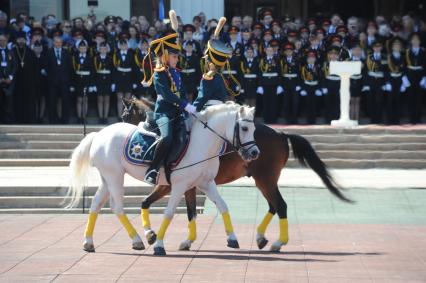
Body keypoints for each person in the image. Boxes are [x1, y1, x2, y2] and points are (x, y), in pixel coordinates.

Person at [142, 11, 196, 185]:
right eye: (174, 56)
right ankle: (153, 168)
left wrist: (189, 105)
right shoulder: (159, 73)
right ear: (166, 56)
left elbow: (182, 91)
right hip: (164, 112)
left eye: (177, 56)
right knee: (167, 138)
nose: (176, 59)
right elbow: (165, 94)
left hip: (178, 111)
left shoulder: (177, 72)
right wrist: (183, 104)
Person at [193, 17, 236, 111]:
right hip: (221, 110)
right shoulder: (220, 76)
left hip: (209, 111)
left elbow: (202, 97)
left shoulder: (208, 76)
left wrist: (192, 110)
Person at [46, 33, 73, 123]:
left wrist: (69, 81)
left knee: (65, 101)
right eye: (56, 42)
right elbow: (46, 67)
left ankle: (65, 120)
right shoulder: (49, 53)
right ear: (53, 43)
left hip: (64, 82)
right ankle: (53, 120)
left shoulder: (66, 52)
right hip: (52, 82)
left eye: (60, 42)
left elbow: (70, 67)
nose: (58, 44)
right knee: (52, 102)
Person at [12, 30, 37, 124]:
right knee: (17, 101)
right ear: (16, 40)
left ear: (25, 40)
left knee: (29, 101)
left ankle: (29, 120)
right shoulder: (13, 51)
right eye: (19, 39)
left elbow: (35, 67)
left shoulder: (30, 52)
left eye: (22, 39)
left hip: (29, 82)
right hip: (16, 81)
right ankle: (18, 119)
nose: (21, 41)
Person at [71, 40, 95, 123]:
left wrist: (92, 84)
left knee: (85, 99)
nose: (82, 49)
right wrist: (72, 84)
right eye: (81, 48)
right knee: (79, 99)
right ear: (78, 49)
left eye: (84, 48)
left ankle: (84, 117)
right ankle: (79, 117)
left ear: (86, 48)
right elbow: (73, 72)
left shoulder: (90, 58)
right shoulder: (75, 57)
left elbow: (92, 72)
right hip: (78, 81)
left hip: (87, 80)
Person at [258, 45, 282, 123]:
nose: (270, 52)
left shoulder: (277, 60)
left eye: (271, 51)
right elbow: (260, 73)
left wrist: (279, 85)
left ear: (273, 52)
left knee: (274, 102)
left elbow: (279, 73)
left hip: (274, 84)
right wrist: (260, 85)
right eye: (268, 50)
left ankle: (273, 119)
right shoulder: (262, 60)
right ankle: (266, 119)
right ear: (265, 51)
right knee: (266, 102)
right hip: (265, 84)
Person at [113, 38, 136, 118]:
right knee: (120, 99)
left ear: (127, 46)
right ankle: (120, 116)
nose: (123, 46)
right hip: (119, 79)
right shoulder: (116, 55)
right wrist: (113, 82)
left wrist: (134, 81)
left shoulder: (131, 54)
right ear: (119, 46)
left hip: (129, 78)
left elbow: (134, 68)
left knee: (128, 100)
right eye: (122, 44)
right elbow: (114, 69)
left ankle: (127, 116)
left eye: (125, 44)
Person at [405, 33, 425, 124]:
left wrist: (425, 77)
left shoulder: (423, 51)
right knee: (411, 97)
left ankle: (418, 118)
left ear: (420, 41)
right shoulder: (407, 51)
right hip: (410, 75)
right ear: (411, 41)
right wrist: (405, 78)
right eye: (414, 40)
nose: (415, 41)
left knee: (419, 97)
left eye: (417, 40)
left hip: (420, 75)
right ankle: (412, 118)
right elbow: (405, 65)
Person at [280, 42, 300, 124]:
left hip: (294, 83)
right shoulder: (282, 60)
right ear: (285, 52)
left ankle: (295, 119)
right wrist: (281, 84)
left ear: (292, 52)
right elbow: (280, 73)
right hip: (285, 83)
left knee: (295, 102)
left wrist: (299, 84)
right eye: (287, 51)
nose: (288, 52)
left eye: (290, 51)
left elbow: (299, 73)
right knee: (286, 102)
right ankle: (287, 119)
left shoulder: (297, 60)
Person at [300, 50, 322, 124]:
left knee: (314, 104)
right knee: (307, 104)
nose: (311, 60)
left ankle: (313, 120)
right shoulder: (303, 68)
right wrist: (303, 88)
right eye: (309, 59)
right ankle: (308, 120)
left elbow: (320, 78)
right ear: (307, 60)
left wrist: (319, 88)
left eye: (312, 58)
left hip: (315, 87)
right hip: (307, 87)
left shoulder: (318, 67)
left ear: (315, 59)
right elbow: (302, 78)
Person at [94, 42, 114, 124]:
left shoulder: (110, 58)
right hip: (99, 80)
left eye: (104, 48)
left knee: (107, 99)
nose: (103, 50)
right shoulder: (96, 58)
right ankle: (100, 116)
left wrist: (113, 83)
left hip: (108, 80)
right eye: (101, 48)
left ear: (107, 49)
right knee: (100, 99)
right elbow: (94, 72)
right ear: (99, 49)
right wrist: (94, 84)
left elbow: (113, 71)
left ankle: (105, 117)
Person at [0, 31, 16, 123]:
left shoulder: (10, 52)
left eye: (4, 40)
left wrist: (10, 77)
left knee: (8, 101)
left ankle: (8, 120)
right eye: (0, 40)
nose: (2, 42)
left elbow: (14, 66)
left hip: (8, 81)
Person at [32, 40, 48, 123]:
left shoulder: (45, 57)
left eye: (39, 47)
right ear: (33, 48)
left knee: (42, 99)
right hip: (33, 83)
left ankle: (41, 117)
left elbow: (48, 68)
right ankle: (35, 116)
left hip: (43, 82)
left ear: (41, 48)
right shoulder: (30, 57)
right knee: (34, 100)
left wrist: (45, 71)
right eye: (36, 47)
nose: (38, 49)